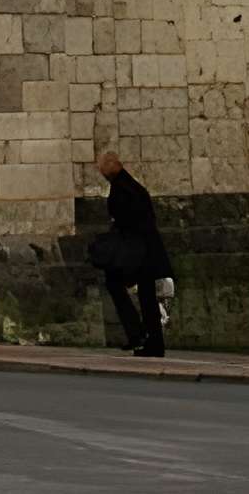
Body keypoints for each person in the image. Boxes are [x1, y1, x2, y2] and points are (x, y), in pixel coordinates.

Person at [92, 150, 170, 357]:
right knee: (146, 296)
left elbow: (126, 224)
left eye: (101, 168)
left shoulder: (121, 191)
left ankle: (139, 335)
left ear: (110, 167)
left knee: (117, 284)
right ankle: (151, 342)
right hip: (146, 251)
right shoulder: (133, 186)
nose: (100, 172)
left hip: (136, 253)